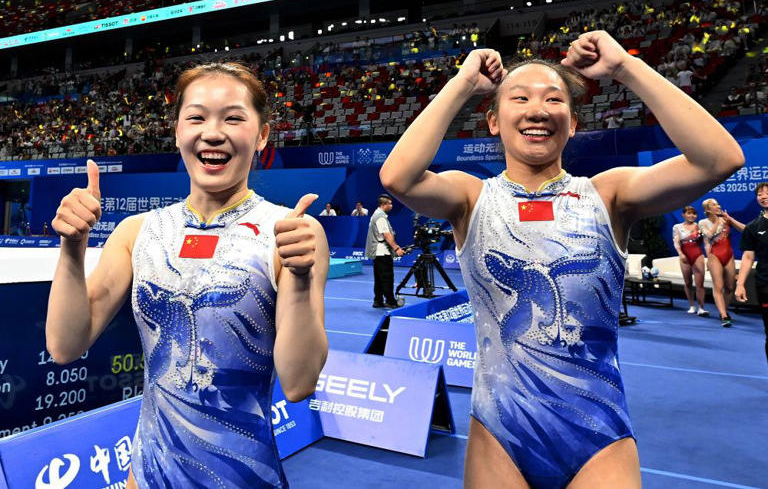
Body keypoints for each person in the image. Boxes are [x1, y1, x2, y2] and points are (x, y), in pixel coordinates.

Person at [379, 30, 744, 488]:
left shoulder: (608, 194)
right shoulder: (470, 197)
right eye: (519, 98)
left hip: (599, 439)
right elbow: (398, 176)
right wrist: (462, 82)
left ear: (572, 124)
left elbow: (720, 159)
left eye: (554, 99)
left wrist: (624, 67)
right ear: (493, 122)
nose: (536, 110)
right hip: (500, 434)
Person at [46, 62, 329, 488]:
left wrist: (301, 278)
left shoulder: (288, 233)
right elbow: (65, 345)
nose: (212, 132)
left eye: (233, 117)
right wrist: (72, 247)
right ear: (177, 131)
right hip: (146, 474)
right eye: (196, 117)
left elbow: (299, 383)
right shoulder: (137, 232)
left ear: (262, 136)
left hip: (244, 476)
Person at [735, 182, 768, 364]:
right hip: (765, 283)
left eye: (767, 193)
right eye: (760, 194)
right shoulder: (753, 227)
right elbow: (748, 257)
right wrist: (740, 284)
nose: (763, 196)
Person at [700, 198, 745, 326]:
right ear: (708, 209)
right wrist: (717, 221)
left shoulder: (725, 219)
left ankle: (723, 310)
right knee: (718, 286)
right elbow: (708, 236)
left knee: (730, 287)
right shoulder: (703, 222)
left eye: (718, 204)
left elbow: (743, 229)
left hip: (728, 254)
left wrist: (729, 219)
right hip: (715, 255)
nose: (718, 206)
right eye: (714, 205)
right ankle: (724, 316)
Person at [365, 194, 404, 308]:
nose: (391, 206)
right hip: (382, 252)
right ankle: (390, 301)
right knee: (387, 277)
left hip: (378, 252)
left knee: (379, 278)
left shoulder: (376, 215)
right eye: (390, 204)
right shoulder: (380, 217)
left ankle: (378, 301)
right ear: (384, 204)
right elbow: (386, 235)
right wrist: (396, 248)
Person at [672, 206, 708, 315]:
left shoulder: (699, 226)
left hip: (697, 255)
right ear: (683, 215)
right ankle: (692, 306)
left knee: (699, 284)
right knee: (688, 282)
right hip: (684, 256)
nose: (692, 216)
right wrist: (681, 254)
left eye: (694, 214)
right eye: (689, 213)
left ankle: (701, 308)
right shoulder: (677, 227)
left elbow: (705, 241)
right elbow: (676, 242)